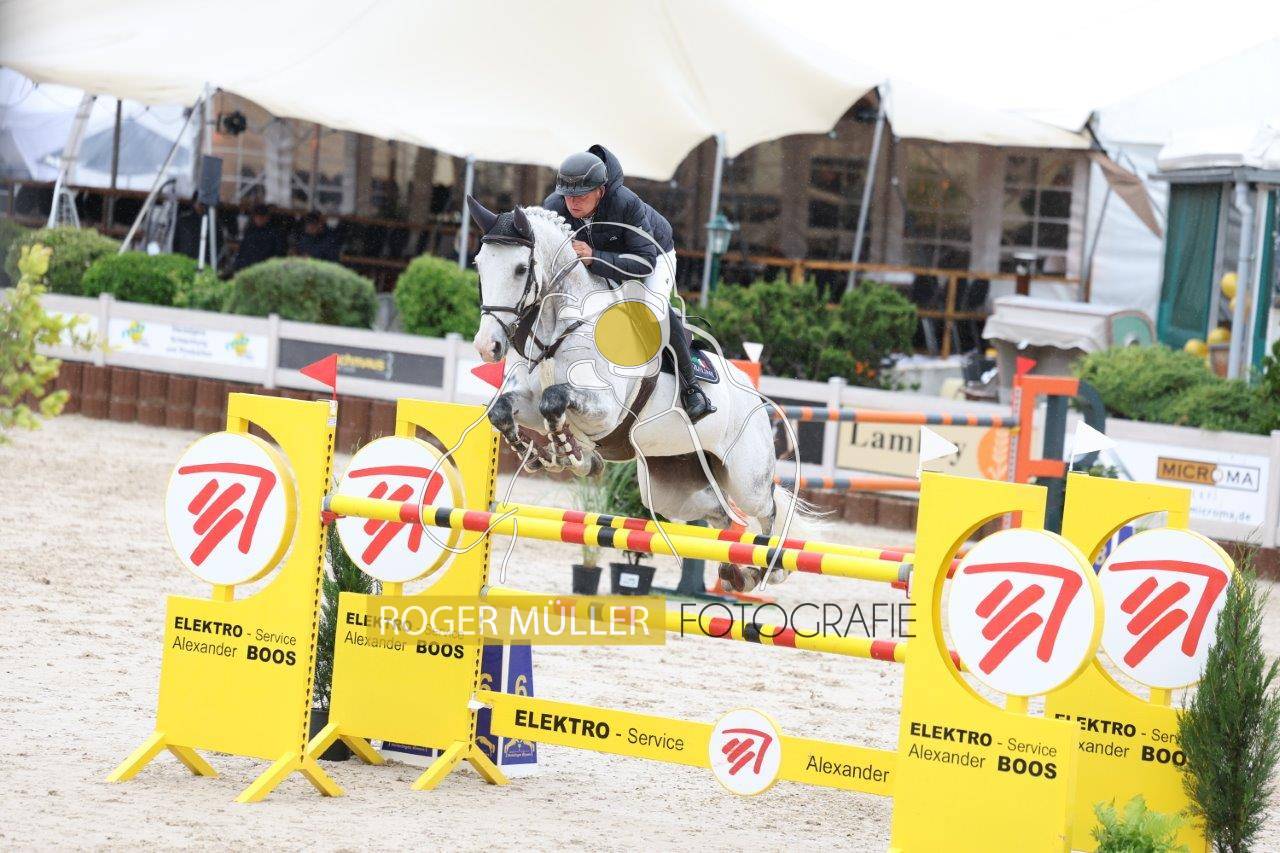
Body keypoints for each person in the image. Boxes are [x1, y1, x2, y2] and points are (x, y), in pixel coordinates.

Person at [543, 145, 715, 422]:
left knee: (652, 308)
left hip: (652, 255)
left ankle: (692, 389)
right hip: (598, 257)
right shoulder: (554, 206)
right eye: (567, 195)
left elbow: (644, 263)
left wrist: (594, 256)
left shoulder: (626, 203)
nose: (572, 203)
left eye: (581, 196)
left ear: (601, 191)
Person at [233, 203, 287, 272]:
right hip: (247, 268)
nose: (259, 219)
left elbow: (278, 255)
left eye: (262, 216)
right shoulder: (250, 231)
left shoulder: (274, 233)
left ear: (267, 217)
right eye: (257, 216)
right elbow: (242, 252)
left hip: (265, 269)